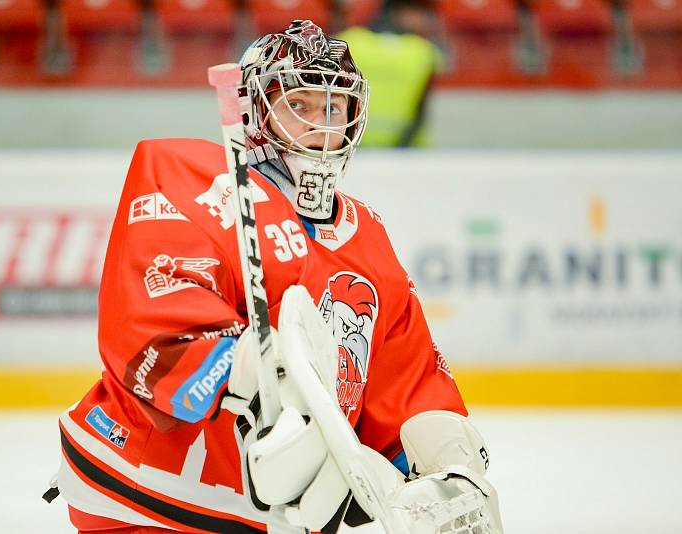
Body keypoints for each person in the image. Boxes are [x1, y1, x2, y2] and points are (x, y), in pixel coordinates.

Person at [46, 20, 502, 534]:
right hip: (146, 486)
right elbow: (155, 312)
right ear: (255, 112)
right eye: (299, 106)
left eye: (333, 108)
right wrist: (252, 370)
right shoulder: (205, 185)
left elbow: (404, 377)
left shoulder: (366, 234)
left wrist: (446, 461)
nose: (321, 125)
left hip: (266, 516)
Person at [338, 0, 442, 147]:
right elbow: (422, 109)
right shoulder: (424, 51)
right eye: (420, 11)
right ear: (397, 10)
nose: (426, 19)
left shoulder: (347, 41)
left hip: (351, 145)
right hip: (406, 150)